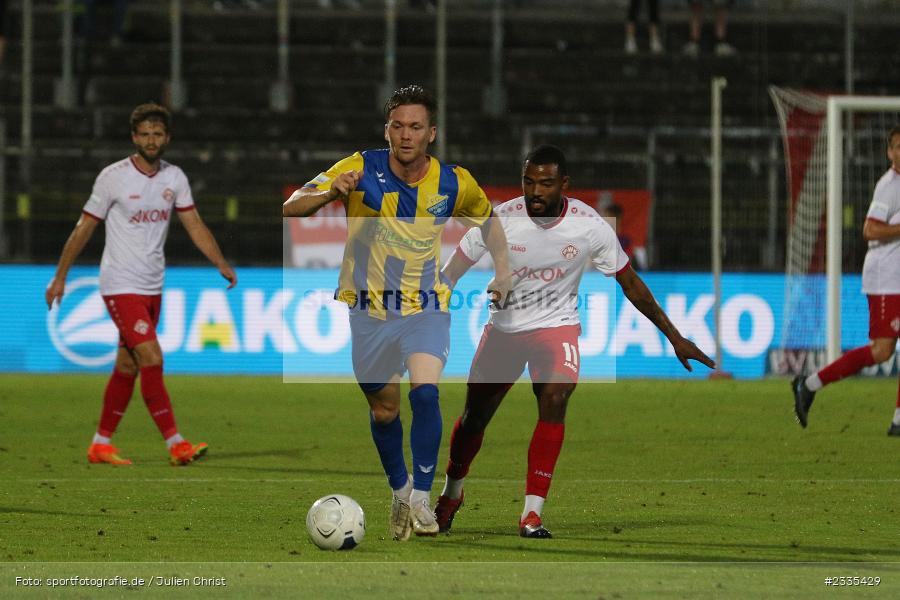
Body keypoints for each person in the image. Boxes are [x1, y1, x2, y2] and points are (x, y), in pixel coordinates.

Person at [434, 144, 715, 538]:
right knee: (473, 420)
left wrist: (674, 336)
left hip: (557, 327)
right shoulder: (500, 219)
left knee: (555, 399)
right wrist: (433, 305)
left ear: (564, 184)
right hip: (504, 332)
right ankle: (452, 493)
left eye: (545, 183)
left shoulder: (589, 226)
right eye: (528, 182)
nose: (535, 191)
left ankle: (532, 514)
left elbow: (630, 283)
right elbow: (450, 273)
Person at [282, 84, 511, 540]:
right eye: (398, 126)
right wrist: (330, 192)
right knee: (385, 411)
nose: (406, 135)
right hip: (368, 312)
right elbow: (291, 207)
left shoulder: (453, 182)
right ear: (387, 129)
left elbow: (489, 222)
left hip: (425, 306)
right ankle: (401, 490)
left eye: (416, 127)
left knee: (425, 394)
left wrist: (503, 271)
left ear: (432, 133)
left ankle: (422, 499)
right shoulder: (357, 167)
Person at [45, 103, 237, 466]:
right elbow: (84, 227)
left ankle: (100, 444)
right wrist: (60, 276)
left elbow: (194, 224)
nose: (151, 140)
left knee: (127, 365)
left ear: (167, 138)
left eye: (157, 134)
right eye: (145, 134)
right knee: (152, 357)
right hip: (119, 282)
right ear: (134, 137)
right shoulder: (113, 177)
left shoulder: (174, 178)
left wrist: (220, 262)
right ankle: (176, 443)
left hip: (153, 284)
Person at [792, 126, 900, 435]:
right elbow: (870, 229)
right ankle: (809, 384)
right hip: (886, 279)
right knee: (882, 351)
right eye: (897, 147)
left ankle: (898, 421)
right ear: (889, 152)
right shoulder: (888, 187)